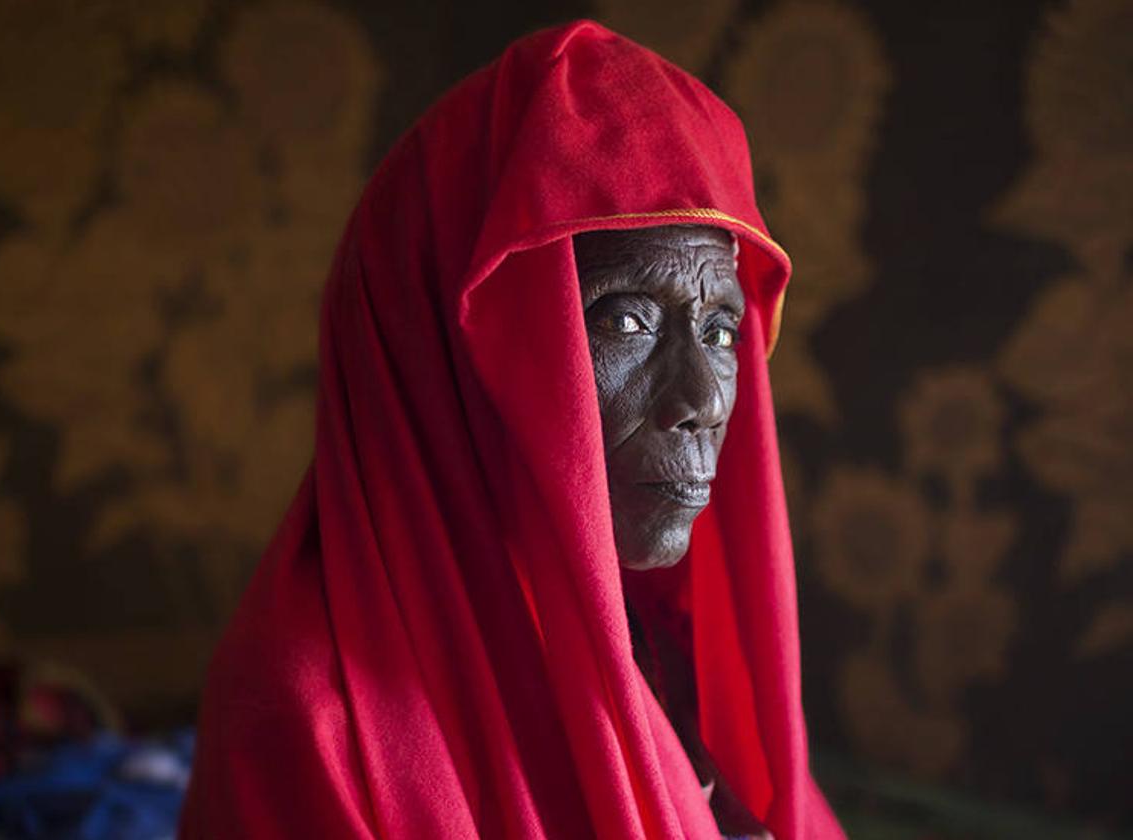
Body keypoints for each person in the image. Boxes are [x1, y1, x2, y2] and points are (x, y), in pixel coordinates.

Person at [179, 20, 844, 840]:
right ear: (442, 352)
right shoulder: (315, 723)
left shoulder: (663, 643)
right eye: (627, 321)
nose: (702, 401)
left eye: (719, 330)